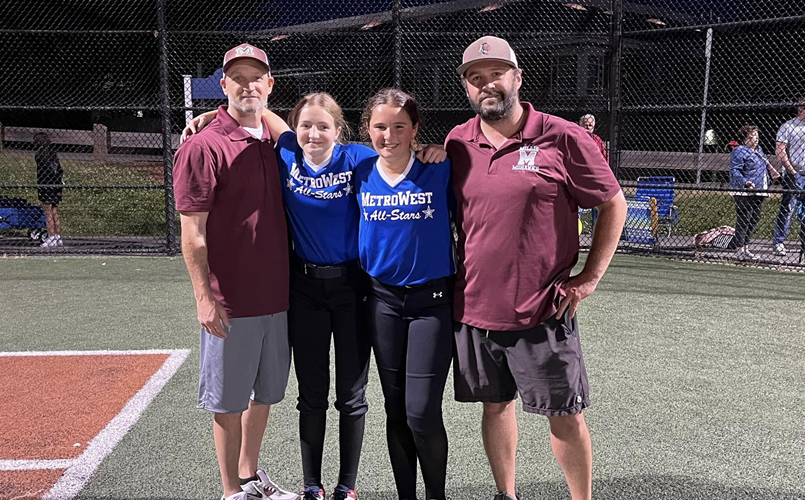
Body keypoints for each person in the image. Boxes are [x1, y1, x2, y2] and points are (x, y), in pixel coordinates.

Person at [183, 94, 446, 500]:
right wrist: (213, 115)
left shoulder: (358, 158)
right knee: (311, 394)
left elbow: (395, 152)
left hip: (353, 289)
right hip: (303, 288)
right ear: (295, 130)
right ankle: (312, 485)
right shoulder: (287, 149)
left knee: (352, 396)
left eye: (324, 126)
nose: (313, 133)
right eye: (306, 125)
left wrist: (431, 149)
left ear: (339, 132)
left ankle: (347, 485)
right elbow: (267, 117)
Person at [445, 36, 627, 500]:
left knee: (565, 415)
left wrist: (589, 277)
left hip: (543, 308)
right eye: (476, 77)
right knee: (494, 406)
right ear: (467, 87)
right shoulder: (457, 142)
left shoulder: (563, 135)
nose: (488, 84)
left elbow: (612, 204)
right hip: (475, 307)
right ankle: (506, 494)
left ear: (518, 78)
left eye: (497, 74)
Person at [173, 43, 299, 500]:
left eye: (256, 77)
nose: (247, 85)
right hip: (231, 300)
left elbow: (290, 133)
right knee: (227, 403)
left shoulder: (276, 143)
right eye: (237, 78)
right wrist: (204, 297)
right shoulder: (202, 146)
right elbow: (193, 232)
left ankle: (250, 478)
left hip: (277, 297)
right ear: (223, 85)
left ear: (270, 84)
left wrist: (264, 119)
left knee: (264, 395)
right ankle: (231, 492)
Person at [354, 88, 454, 500]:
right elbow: (297, 133)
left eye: (400, 126)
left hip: (431, 304)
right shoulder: (358, 171)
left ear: (415, 130)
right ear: (367, 130)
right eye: (380, 126)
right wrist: (210, 118)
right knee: (394, 410)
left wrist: (442, 148)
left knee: (421, 413)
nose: (389, 135)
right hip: (381, 303)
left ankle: (436, 496)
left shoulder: (439, 168)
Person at [729, 125, 778, 261]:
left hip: (759, 189)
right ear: (744, 139)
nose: (755, 139)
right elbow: (735, 170)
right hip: (744, 191)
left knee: (754, 218)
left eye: (756, 136)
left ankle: (745, 246)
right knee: (744, 219)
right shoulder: (739, 151)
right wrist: (745, 182)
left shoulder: (759, 150)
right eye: (751, 137)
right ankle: (739, 248)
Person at [772, 97, 805, 256]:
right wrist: (792, 172)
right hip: (794, 174)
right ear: (801, 109)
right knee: (788, 208)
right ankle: (779, 241)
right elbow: (780, 151)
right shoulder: (789, 126)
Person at [33, 132, 64, 247]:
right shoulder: (53, 154)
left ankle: (51, 236)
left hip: (45, 185)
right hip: (56, 185)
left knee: (48, 212)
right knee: (54, 210)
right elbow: (59, 170)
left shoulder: (40, 155)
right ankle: (57, 236)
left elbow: (42, 172)